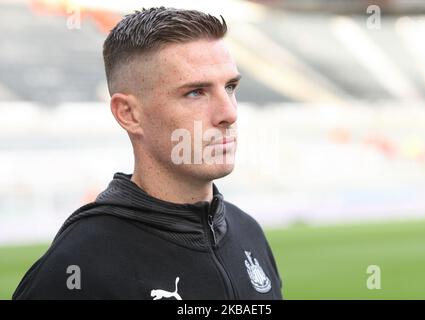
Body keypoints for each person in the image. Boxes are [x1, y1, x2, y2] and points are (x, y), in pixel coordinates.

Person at [13, 7, 282, 300]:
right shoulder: (79, 263)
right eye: (195, 92)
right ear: (129, 114)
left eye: (230, 87)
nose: (229, 113)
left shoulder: (248, 232)